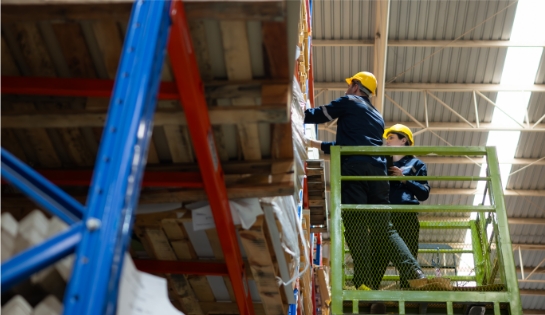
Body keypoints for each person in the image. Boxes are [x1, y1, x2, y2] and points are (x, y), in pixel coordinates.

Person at [304, 72, 425, 294]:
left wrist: (293, 115)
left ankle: (364, 283)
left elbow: (319, 114)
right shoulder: (378, 117)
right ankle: (415, 272)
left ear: (357, 86)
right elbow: (349, 144)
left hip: (355, 172)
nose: (347, 88)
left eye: (350, 84)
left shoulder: (349, 101)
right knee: (385, 229)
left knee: (356, 226)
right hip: (377, 176)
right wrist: (316, 143)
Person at [380, 124, 430, 289]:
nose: (387, 141)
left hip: (405, 215)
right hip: (383, 216)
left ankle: (408, 293)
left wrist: (404, 179)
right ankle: (369, 290)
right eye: (387, 138)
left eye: (391, 137)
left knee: (407, 256)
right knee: (377, 256)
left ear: (403, 140)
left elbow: (424, 192)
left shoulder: (416, 164)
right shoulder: (381, 163)